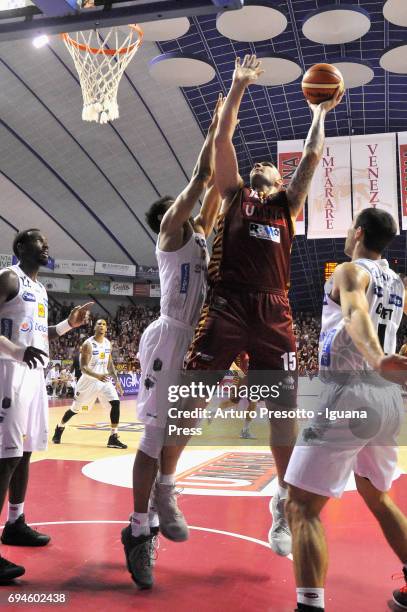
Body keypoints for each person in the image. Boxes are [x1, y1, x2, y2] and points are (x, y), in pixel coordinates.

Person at [183, 54, 343, 556]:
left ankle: (281, 502)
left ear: (276, 181)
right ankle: (165, 489)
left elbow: (312, 158)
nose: (260, 166)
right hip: (229, 305)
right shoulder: (233, 196)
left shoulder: (285, 206)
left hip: (274, 314)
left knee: (282, 414)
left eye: (269, 168)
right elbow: (224, 139)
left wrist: (320, 111)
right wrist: (238, 86)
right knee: (188, 399)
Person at [121, 95, 224, 589]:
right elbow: (202, 182)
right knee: (153, 436)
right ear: (172, 213)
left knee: (182, 426)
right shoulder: (169, 232)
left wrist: (223, 136)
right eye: (184, 204)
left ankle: (165, 489)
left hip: (197, 341)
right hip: (168, 338)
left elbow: (217, 191)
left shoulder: (200, 236)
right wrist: (217, 127)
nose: (192, 207)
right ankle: (139, 533)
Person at [283, 209, 407, 612]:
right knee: (377, 496)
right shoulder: (397, 284)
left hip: (351, 392)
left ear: (357, 232)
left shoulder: (351, 270)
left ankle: (310, 607)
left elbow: (355, 314)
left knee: (300, 505)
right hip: (388, 399)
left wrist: (376, 358)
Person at [0, 228, 92, 581]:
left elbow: (41, 334)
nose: (46, 246)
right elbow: (19, 342)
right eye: (39, 241)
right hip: (8, 371)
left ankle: (15, 523)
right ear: (21, 246)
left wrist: (70, 324)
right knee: (6, 456)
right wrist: (16, 351)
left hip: (34, 374)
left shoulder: (39, 289)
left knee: (24, 453)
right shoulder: (9, 278)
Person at [52, 319, 126, 449]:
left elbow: (110, 364)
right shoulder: (88, 344)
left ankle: (113, 437)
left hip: (105, 381)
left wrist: (117, 381)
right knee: (75, 410)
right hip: (88, 382)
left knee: (115, 403)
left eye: (104, 324)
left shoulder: (108, 343)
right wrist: (98, 376)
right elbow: (83, 368)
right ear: (95, 328)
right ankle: (60, 427)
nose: (102, 326)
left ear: (106, 328)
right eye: (99, 324)